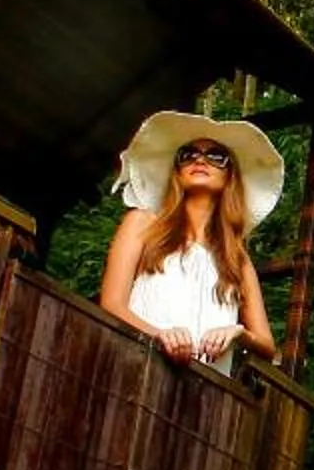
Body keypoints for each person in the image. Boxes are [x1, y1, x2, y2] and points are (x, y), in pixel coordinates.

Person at [98, 110, 282, 370]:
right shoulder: (142, 223)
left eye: (216, 156)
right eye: (188, 154)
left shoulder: (236, 258)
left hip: (207, 392)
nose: (201, 160)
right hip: (137, 370)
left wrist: (239, 333)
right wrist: (159, 336)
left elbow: (266, 344)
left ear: (230, 175)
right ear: (176, 171)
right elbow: (111, 304)